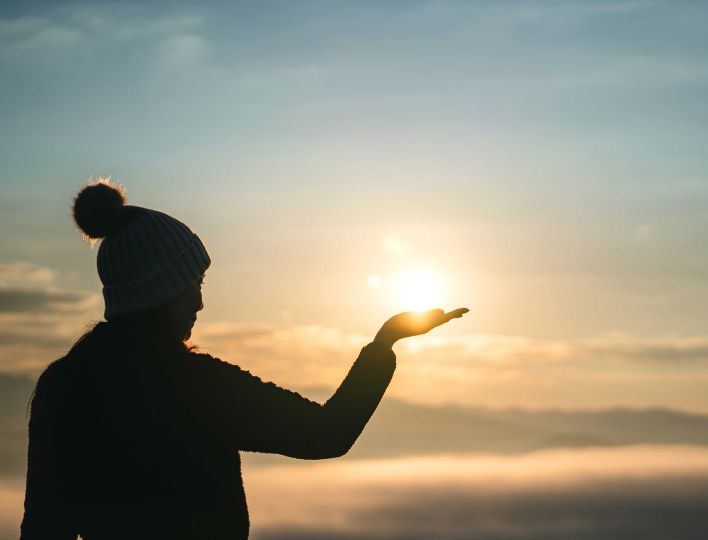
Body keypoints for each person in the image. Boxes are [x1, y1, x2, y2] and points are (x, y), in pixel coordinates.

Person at [20, 179, 469, 539]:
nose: (198, 302)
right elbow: (326, 434)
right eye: (192, 285)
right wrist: (384, 344)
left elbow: (43, 528)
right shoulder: (197, 386)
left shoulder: (64, 387)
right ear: (161, 291)